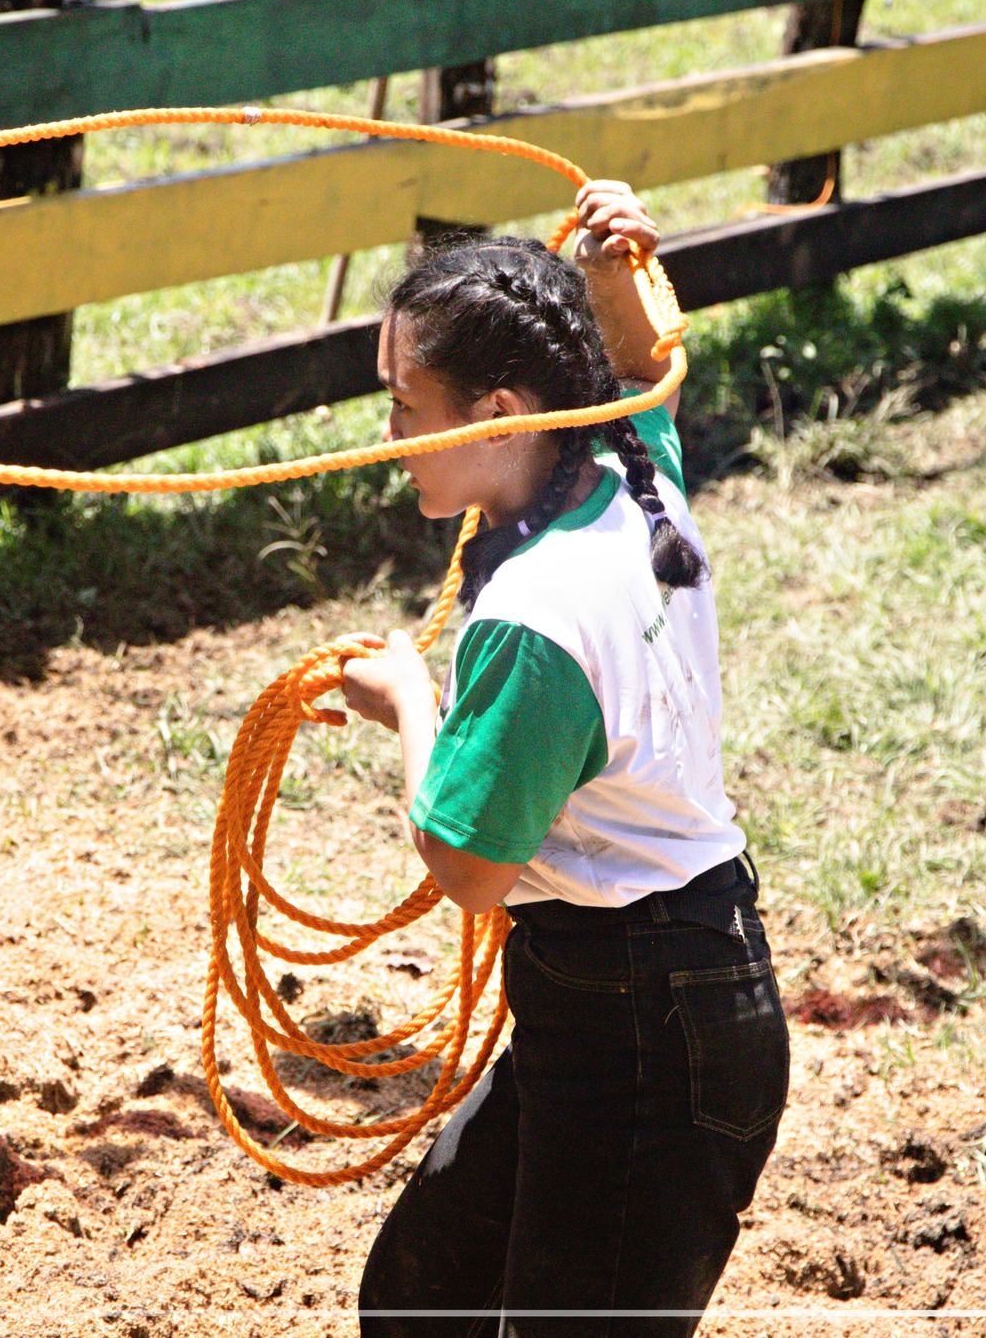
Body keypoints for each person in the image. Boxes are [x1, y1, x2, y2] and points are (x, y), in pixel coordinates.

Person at [338, 183, 790, 1338]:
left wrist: (404, 702)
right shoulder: (630, 468)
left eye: (404, 407)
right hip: (644, 988)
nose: (388, 438)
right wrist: (618, 266)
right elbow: (646, 370)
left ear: (495, 414)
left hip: (644, 1017)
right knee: (419, 1302)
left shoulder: (532, 620)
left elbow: (468, 867)